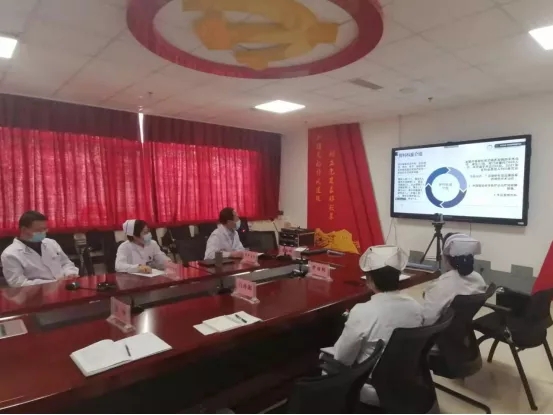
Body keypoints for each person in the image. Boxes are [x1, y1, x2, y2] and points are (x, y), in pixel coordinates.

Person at [323, 245, 424, 405]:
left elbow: (343, 358)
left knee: (325, 362)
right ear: (398, 276)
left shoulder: (362, 312)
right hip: (405, 383)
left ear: (369, 279)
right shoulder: (416, 307)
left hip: (370, 388)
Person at [422, 233, 487, 325]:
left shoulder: (441, 286)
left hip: (442, 332)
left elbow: (428, 321)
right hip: (463, 329)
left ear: (445, 258)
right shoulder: (479, 279)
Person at [1, 211, 79, 287]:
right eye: (38, 230)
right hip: (35, 293)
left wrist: (70, 273)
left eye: (45, 229)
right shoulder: (10, 254)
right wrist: (54, 283)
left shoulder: (51, 243)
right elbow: (18, 283)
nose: (43, 232)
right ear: (24, 229)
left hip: (64, 287)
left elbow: (66, 263)